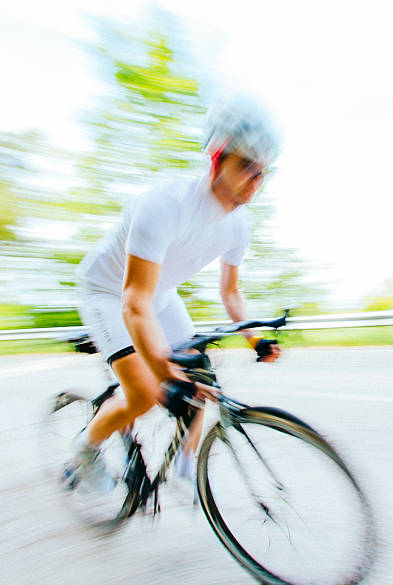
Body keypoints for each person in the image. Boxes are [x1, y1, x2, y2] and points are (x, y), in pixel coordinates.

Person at [67, 95, 281, 487]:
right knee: (146, 394)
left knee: (201, 374)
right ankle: (84, 452)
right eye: (247, 167)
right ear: (217, 159)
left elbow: (230, 293)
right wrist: (163, 372)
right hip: (110, 294)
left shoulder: (238, 226)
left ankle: (184, 465)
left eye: (263, 171)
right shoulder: (164, 206)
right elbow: (133, 301)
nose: (257, 181)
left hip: (158, 296)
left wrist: (255, 341)